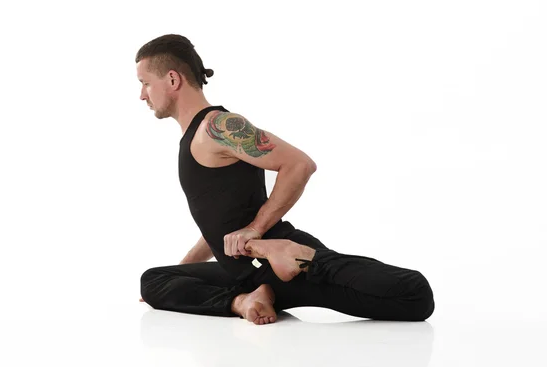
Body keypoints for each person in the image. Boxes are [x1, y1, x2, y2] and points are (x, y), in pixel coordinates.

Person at [137, 34, 435, 325]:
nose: (142, 95)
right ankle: (245, 301)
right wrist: (182, 275)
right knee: (154, 280)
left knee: (414, 295)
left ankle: (303, 256)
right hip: (246, 271)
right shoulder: (195, 137)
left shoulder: (218, 127)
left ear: (173, 80)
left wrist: (257, 232)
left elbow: (299, 164)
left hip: (285, 262)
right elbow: (219, 221)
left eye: (146, 83)